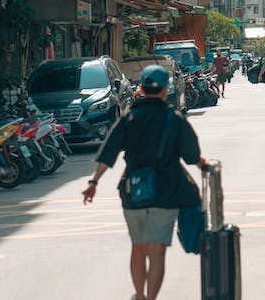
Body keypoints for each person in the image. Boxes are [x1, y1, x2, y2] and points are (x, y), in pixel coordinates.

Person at [82, 64, 207, 300]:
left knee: (138, 247)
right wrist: (202, 162)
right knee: (157, 251)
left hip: (134, 191)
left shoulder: (129, 118)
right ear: (165, 90)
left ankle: (139, 295)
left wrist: (93, 183)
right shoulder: (175, 119)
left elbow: (108, 153)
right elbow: (192, 157)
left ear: (141, 88)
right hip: (167, 193)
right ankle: (150, 299)